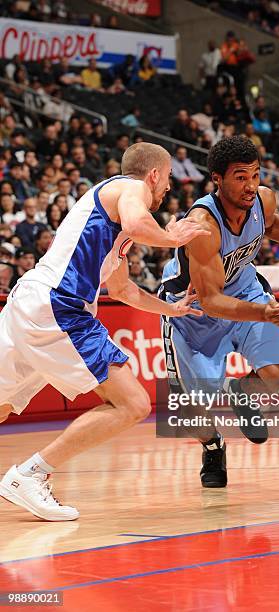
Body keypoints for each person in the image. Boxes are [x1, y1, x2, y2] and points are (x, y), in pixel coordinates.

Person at [0, 142, 210, 521]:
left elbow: (124, 291)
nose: (166, 191)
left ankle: (28, 476)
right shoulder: (131, 190)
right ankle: (29, 475)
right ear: (154, 175)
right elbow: (137, 222)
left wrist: (172, 309)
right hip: (59, 308)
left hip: (30, 302)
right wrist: (172, 238)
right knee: (133, 404)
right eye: (166, 183)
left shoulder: (110, 221)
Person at [160, 136, 279, 488]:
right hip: (194, 312)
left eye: (255, 175)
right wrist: (264, 315)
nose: (251, 186)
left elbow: (272, 224)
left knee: (278, 375)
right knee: (192, 412)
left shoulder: (263, 199)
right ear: (217, 178)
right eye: (240, 177)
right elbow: (213, 300)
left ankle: (243, 392)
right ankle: (213, 447)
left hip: (245, 290)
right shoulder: (203, 226)